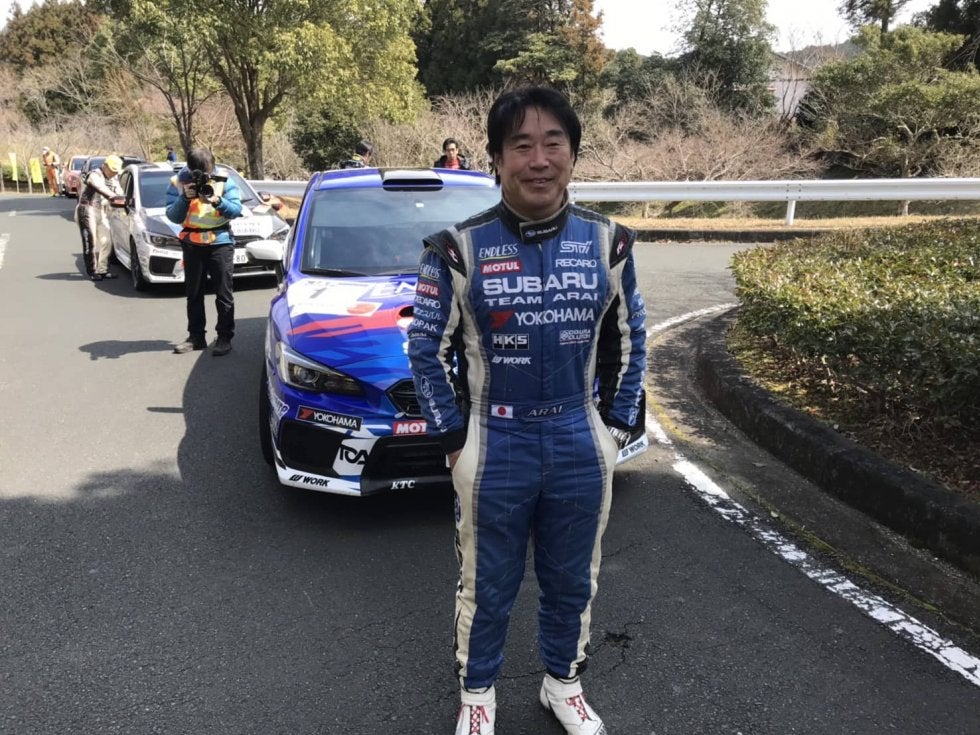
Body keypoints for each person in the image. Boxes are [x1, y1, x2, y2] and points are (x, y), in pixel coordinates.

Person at [407, 86, 646, 735]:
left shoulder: (610, 243)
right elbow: (424, 347)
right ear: (496, 158)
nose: (538, 159)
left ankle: (563, 682)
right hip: (494, 439)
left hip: (578, 437)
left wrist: (614, 429)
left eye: (553, 143)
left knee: (573, 579)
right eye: (521, 145)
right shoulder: (455, 248)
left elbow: (631, 340)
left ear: (572, 153)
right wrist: (453, 438)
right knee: (486, 583)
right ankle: (477, 693)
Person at [165, 147, 243, 356]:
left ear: (213, 164)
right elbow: (172, 216)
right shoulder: (178, 182)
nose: (203, 176)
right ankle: (196, 337)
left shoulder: (224, 180)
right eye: (198, 172)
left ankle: (224, 337)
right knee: (194, 294)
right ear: (190, 169)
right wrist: (184, 198)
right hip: (192, 243)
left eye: (207, 171)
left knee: (223, 293)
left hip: (220, 242)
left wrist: (217, 201)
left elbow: (236, 210)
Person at [75, 155, 124, 280]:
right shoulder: (94, 175)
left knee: (106, 241)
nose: (114, 173)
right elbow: (102, 190)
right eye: (112, 170)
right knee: (90, 242)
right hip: (87, 209)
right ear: (105, 166)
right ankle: (92, 271)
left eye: (116, 171)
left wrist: (123, 199)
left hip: (102, 211)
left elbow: (120, 192)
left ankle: (103, 269)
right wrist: (116, 198)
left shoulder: (114, 178)